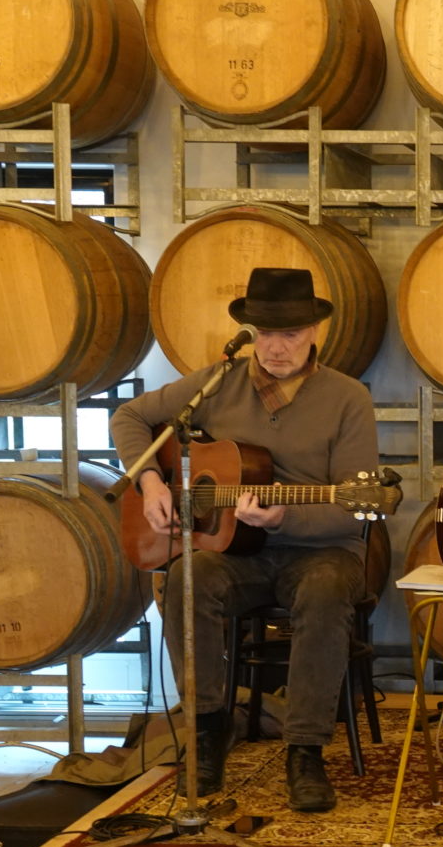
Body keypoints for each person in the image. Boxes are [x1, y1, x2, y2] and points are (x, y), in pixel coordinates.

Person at [112, 267, 379, 812]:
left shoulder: (348, 398)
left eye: (291, 335)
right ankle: (209, 731)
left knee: (327, 590)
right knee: (188, 577)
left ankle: (303, 750)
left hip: (320, 550)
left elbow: (355, 513)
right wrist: (151, 481)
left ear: (314, 335)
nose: (277, 348)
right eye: (266, 333)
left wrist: (284, 520)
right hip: (237, 552)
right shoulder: (216, 384)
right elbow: (131, 416)